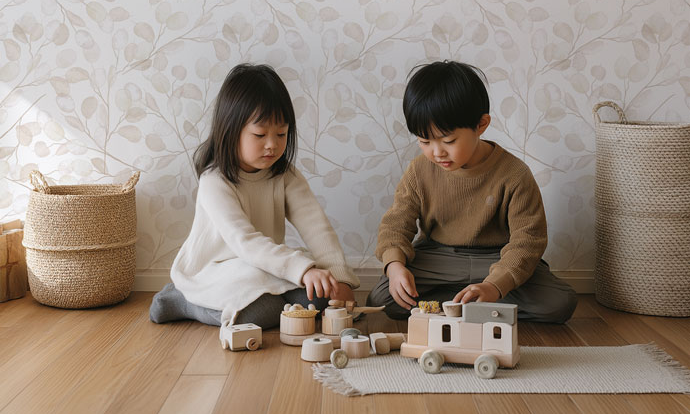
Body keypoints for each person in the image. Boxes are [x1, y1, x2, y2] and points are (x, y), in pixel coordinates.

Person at [150, 63, 359, 331]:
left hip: (262, 266)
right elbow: (245, 242)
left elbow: (316, 227)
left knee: (320, 297)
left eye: (281, 134)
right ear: (231, 130)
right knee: (261, 313)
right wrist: (302, 270)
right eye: (260, 134)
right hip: (219, 269)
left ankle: (281, 296)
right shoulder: (215, 181)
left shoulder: (285, 175)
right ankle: (182, 300)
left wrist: (339, 279)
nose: (272, 144)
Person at [367, 61, 577, 323]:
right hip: (438, 259)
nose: (437, 152)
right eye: (424, 141)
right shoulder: (419, 170)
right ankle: (472, 305)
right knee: (383, 298)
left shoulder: (514, 174)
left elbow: (528, 240)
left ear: (481, 124)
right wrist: (395, 266)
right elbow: (396, 225)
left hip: (497, 258)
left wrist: (495, 284)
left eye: (449, 140)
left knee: (559, 303)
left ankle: (473, 300)